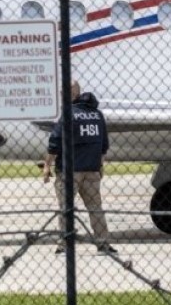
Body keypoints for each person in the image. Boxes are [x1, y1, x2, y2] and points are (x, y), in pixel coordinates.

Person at [43, 81, 117, 255]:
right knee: (96, 208)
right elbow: (104, 145)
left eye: (63, 92)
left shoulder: (68, 115)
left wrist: (47, 165)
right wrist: (100, 165)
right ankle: (103, 243)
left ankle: (65, 244)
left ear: (71, 94)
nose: (61, 95)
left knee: (65, 209)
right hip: (92, 171)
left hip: (70, 172)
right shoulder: (97, 115)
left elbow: (54, 143)